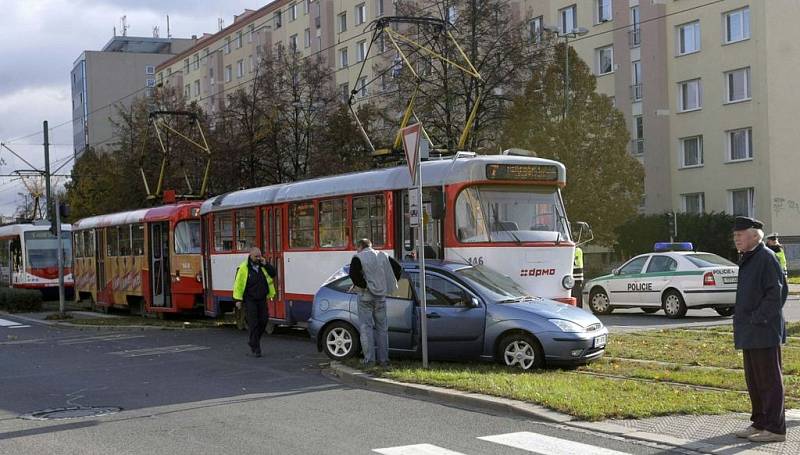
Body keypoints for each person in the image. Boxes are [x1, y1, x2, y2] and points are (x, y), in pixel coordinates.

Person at [732, 217, 788, 443]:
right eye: (734, 235)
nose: (736, 238)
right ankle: (760, 422)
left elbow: (777, 294)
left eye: (740, 234)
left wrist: (757, 318)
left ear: (755, 236)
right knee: (755, 380)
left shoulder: (766, 257)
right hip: (750, 330)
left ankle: (775, 429)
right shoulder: (749, 258)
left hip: (763, 330)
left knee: (770, 381)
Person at [349, 238, 402, 367]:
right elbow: (398, 268)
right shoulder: (383, 255)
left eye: (357, 247)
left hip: (365, 297)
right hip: (381, 298)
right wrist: (386, 284)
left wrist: (365, 286)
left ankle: (369, 360)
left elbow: (353, 275)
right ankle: (384, 360)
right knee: (382, 329)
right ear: (371, 246)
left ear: (361, 246)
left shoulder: (358, 257)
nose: (357, 250)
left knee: (366, 328)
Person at [233, 247, 277, 358]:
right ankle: (256, 348)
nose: (258, 258)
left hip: (262, 298)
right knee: (253, 323)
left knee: (264, 320)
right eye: (256, 256)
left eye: (259, 256)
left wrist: (266, 264)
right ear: (250, 255)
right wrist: (238, 300)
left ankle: (253, 341)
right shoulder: (243, 268)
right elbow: (237, 285)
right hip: (249, 299)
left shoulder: (263, 266)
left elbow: (273, 273)